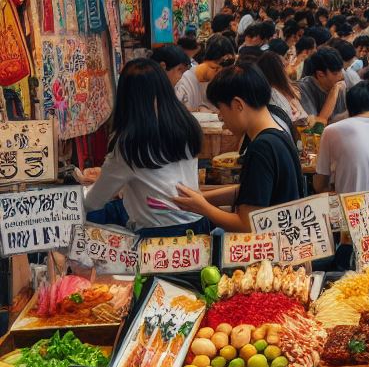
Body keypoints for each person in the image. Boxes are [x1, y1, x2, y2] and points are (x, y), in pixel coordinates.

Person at [82, 59, 209, 236]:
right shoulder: (186, 124)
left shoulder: (130, 143)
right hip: (199, 224)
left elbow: (94, 201)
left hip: (158, 235)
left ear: (125, 97)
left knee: (92, 214)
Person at [172, 64, 303, 232]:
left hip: (270, 250)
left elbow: (247, 224)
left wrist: (203, 208)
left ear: (238, 105)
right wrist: (202, 198)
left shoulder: (262, 147)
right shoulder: (278, 132)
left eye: (220, 109)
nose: (220, 117)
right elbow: (251, 191)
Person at [176, 35, 235, 111]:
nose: (218, 74)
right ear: (205, 60)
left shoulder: (220, 83)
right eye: (214, 68)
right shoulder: (184, 80)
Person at [297, 48, 347, 125]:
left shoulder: (339, 83)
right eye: (335, 73)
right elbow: (316, 125)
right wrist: (333, 93)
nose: (341, 76)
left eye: (341, 70)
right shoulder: (302, 89)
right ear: (320, 74)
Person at [257, 51, 307, 124]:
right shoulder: (273, 93)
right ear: (281, 69)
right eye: (285, 65)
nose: (288, 64)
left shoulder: (285, 89)